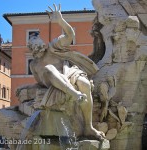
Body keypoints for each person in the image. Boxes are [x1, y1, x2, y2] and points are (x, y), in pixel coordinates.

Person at [28, 4, 105, 141]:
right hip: (52, 82)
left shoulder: (53, 47)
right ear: (31, 50)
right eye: (33, 48)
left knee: (85, 84)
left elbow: (70, 35)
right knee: (49, 68)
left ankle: (88, 127)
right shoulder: (33, 65)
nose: (37, 50)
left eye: (38, 46)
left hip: (69, 73)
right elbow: (38, 81)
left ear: (43, 45)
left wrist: (60, 21)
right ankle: (75, 94)